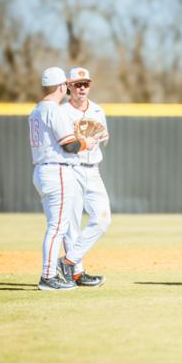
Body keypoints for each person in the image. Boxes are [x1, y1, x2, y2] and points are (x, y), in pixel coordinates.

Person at [29, 67, 97, 291]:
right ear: (61, 87)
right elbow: (69, 145)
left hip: (43, 169)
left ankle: (74, 272)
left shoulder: (36, 110)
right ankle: (48, 276)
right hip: (56, 169)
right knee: (57, 227)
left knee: (62, 225)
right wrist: (86, 142)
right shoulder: (54, 111)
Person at [58, 67, 110, 287]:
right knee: (72, 224)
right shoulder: (61, 111)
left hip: (93, 169)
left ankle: (68, 261)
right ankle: (76, 273)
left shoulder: (97, 110)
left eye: (85, 84)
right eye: (77, 84)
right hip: (71, 168)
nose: (82, 88)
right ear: (68, 85)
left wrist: (102, 135)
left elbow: (103, 137)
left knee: (103, 219)